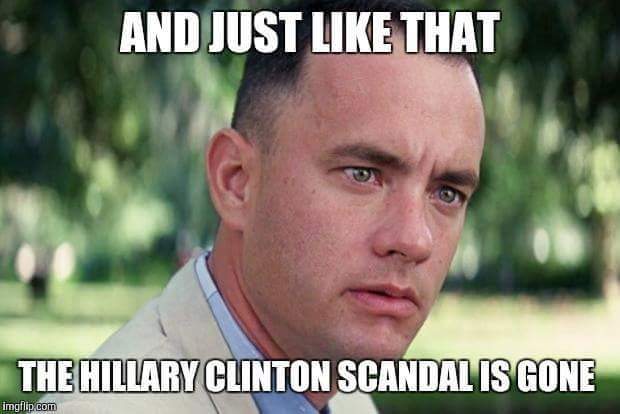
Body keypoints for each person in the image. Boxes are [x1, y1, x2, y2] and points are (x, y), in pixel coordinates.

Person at [39, 0, 485, 412]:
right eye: (363, 174)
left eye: (447, 193)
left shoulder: (341, 394)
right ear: (236, 181)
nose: (415, 239)